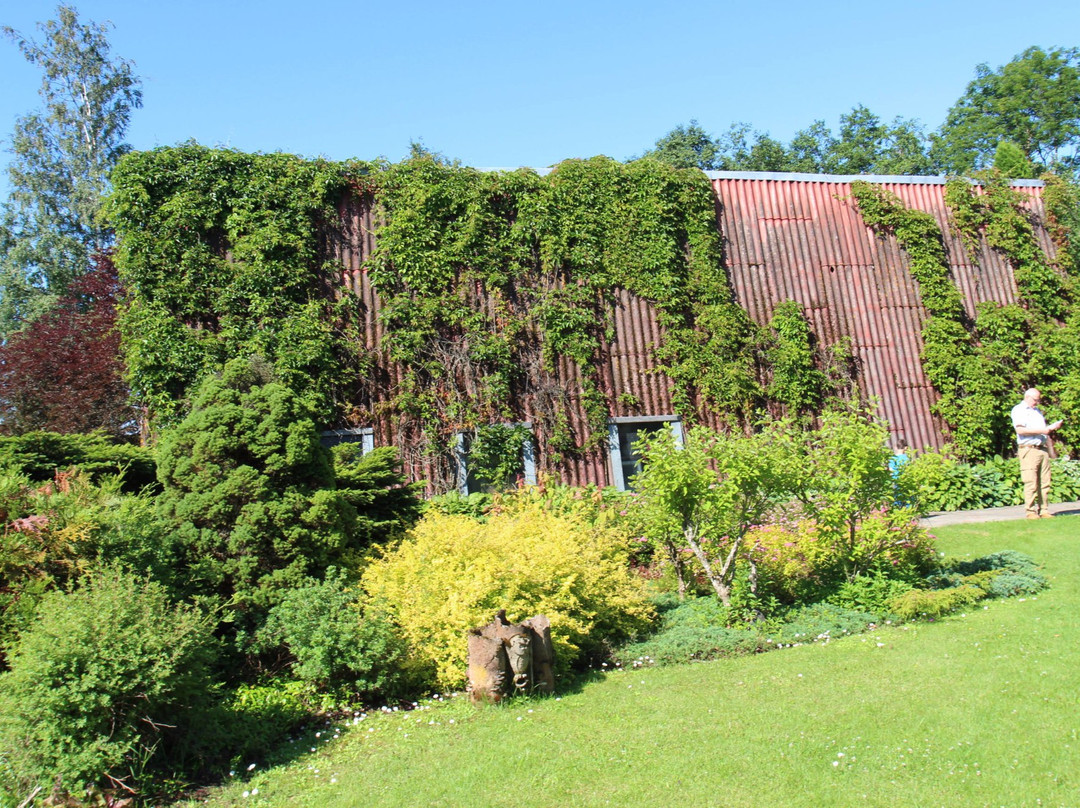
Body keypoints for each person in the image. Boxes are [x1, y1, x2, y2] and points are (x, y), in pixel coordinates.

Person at [1011, 388, 1063, 519]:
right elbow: (1020, 430)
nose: (1037, 402)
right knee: (1030, 481)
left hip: (1042, 448)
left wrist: (1050, 428)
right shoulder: (1019, 410)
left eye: (1038, 400)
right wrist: (1044, 430)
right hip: (1029, 449)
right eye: (1035, 400)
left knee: (1044, 482)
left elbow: (1041, 430)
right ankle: (1030, 511)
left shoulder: (1037, 412)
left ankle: (1044, 509)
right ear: (1027, 397)